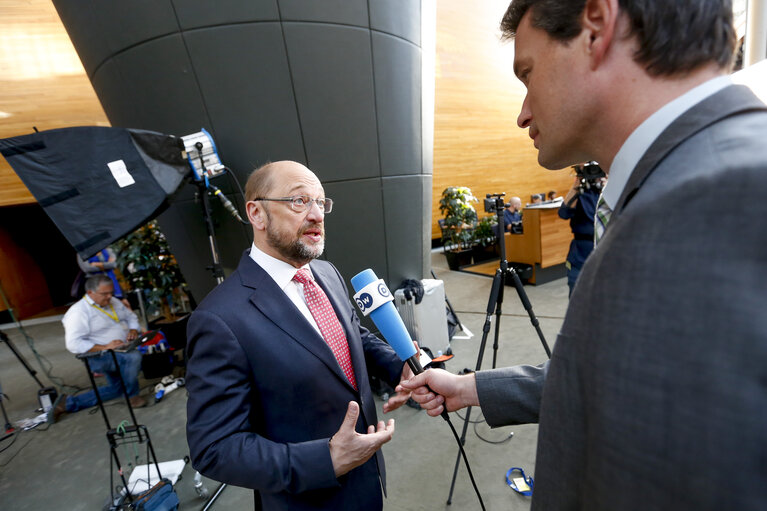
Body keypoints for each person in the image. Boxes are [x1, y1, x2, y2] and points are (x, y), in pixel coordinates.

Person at [395, 0, 767, 509]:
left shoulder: (727, 196)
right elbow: (620, 382)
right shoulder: (686, 183)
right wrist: (471, 387)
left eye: (528, 73)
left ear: (595, 25)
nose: (523, 110)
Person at [185, 161, 414, 510]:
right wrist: (326, 461)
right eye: (299, 201)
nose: (317, 215)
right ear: (257, 214)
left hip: (367, 483)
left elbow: (351, 336)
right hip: (307, 500)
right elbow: (214, 448)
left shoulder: (326, 272)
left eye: (321, 203)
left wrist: (399, 366)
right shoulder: (219, 320)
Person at [49, 275, 146, 423]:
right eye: (105, 294)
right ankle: (132, 395)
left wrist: (133, 330)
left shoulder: (113, 301)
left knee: (117, 389)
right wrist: (105, 346)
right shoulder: (78, 312)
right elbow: (73, 344)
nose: (110, 297)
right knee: (134, 357)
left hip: (119, 349)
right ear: (90, 293)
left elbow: (131, 317)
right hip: (98, 356)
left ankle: (67, 403)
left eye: (111, 292)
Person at [557, 166, 603, 296]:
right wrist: (576, 186)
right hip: (581, 251)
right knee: (576, 292)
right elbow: (564, 213)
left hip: (604, 248)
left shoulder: (607, 192)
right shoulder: (580, 194)